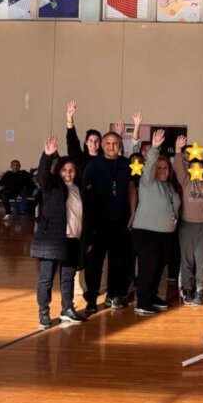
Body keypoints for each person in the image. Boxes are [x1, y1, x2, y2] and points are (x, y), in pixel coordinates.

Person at [31, 136, 86, 329]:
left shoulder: (79, 189)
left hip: (73, 241)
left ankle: (67, 309)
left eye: (71, 169)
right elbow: (42, 176)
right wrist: (47, 156)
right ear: (58, 171)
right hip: (52, 240)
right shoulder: (52, 185)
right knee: (46, 279)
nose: (68, 173)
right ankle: (44, 312)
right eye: (64, 170)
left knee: (68, 278)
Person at [131, 129, 181, 316]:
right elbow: (151, 161)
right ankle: (142, 302)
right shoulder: (148, 182)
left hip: (165, 234)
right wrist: (155, 148)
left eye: (165, 168)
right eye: (159, 168)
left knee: (159, 268)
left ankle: (152, 297)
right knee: (148, 268)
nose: (162, 171)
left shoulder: (169, 186)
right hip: (147, 232)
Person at [82, 131, 132, 313]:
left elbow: (132, 189)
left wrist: (132, 214)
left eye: (115, 143)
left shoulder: (126, 165)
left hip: (120, 222)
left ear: (120, 145)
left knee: (117, 262)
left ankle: (112, 295)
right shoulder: (93, 166)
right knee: (94, 264)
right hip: (98, 224)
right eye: (108, 143)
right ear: (102, 146)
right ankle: (91, 298)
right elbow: (85, 192)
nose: (111, 146)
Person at [173, 134, 203, 306]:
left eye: (200, 168)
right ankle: (187, 289)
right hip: (186, 225)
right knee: (187, 259)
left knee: (202, 260)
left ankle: (200, 290)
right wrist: (178, 149)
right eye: (193, 168)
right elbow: (178, 167)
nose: (196, 171)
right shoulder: (186, 181)